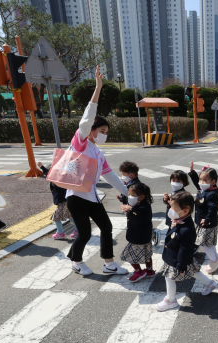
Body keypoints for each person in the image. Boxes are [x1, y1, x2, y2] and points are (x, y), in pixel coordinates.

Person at [66, 65, 129, 276]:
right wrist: (98, 88)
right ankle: (76, 261)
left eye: (107, 132)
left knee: (106, 227)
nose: (104, 134)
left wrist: (132, 194)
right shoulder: (81, 143)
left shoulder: (98, 152)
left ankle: (109, 263)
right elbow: (86, 118)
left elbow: (110, 176)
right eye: (101, 131)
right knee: (84, 233)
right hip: (76, 197)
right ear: (91, 131)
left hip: (93, 197)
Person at [158, 192, 218, 311]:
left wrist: (180, 264)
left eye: (173, 208)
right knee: (193, 270)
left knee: (169, 277)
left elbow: (184, 248)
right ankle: (209, 283)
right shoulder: (179, 218)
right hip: (176, 256)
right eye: (170, 207)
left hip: (178, 259)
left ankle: (171, 300)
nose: (171, 210)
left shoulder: (186, 228)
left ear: (185, 211)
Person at [189, 163, 218, 273]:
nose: (201, 183)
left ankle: (214, 261)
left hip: (207, 223)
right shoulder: (206, 188)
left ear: (213, 182)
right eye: (200, 179)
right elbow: (197, 184)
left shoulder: (211, 193)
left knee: (204, 244)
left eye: (205, 180)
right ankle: (216, 259)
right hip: (202, 221)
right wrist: (193, 173)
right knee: (209, 243)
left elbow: (213, 209)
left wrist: (207, 219)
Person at [120, 183, 155, 282]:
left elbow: (140, 219)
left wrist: (131, 210)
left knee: (129, 256)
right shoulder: (138, 204)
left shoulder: (144, 207)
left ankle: (139, 272)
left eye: (132, 195)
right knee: (147, 255)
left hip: (137, 237)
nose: (129, 197)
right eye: (129, 194)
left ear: (141, 197)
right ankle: (149, 271)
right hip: (144, 236)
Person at [38, 162, 78, 239]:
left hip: (63, 201)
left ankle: (60, 233)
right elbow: (48, 173)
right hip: (65, 200)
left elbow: (49, 173)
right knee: (70, 216)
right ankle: (77, 230)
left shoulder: (57, 178)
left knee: (56, 217)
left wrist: (42, 167)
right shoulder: (58, 177)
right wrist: (42, 167)